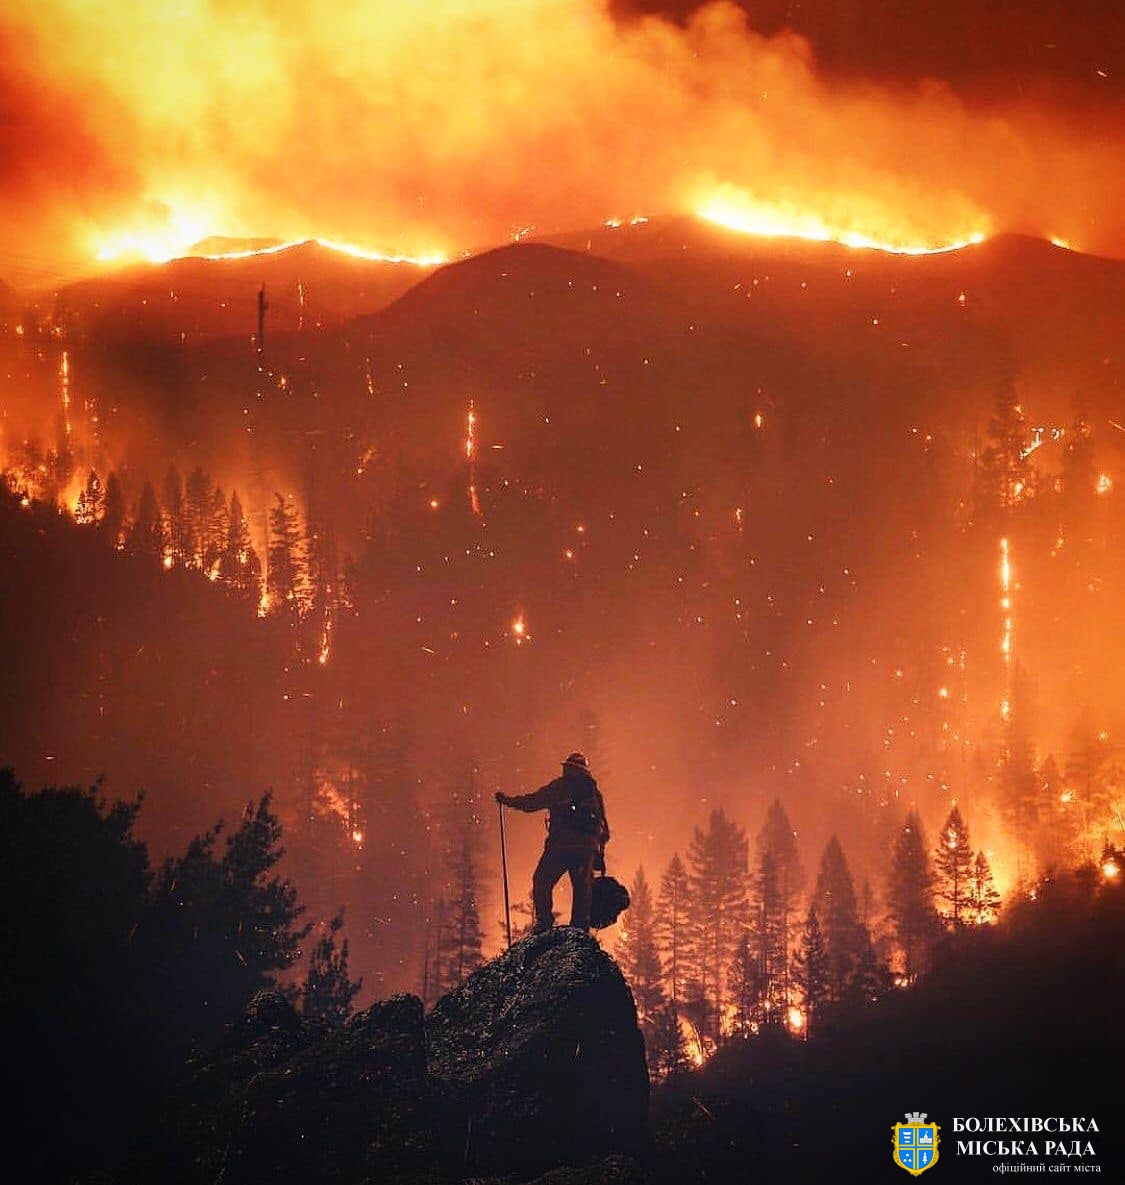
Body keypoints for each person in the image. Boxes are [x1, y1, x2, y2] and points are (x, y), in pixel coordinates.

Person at [496, 751, 609, 933]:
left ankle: (544, 923)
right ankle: (579, 931)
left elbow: (531, 803)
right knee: (582, 891)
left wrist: (507, 801)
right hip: (585, 850)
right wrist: (598, 852)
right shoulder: (594, 793)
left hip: (559, 847)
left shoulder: (559, 788)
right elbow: (605, 829)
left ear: (569, 769)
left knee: (542, 881)